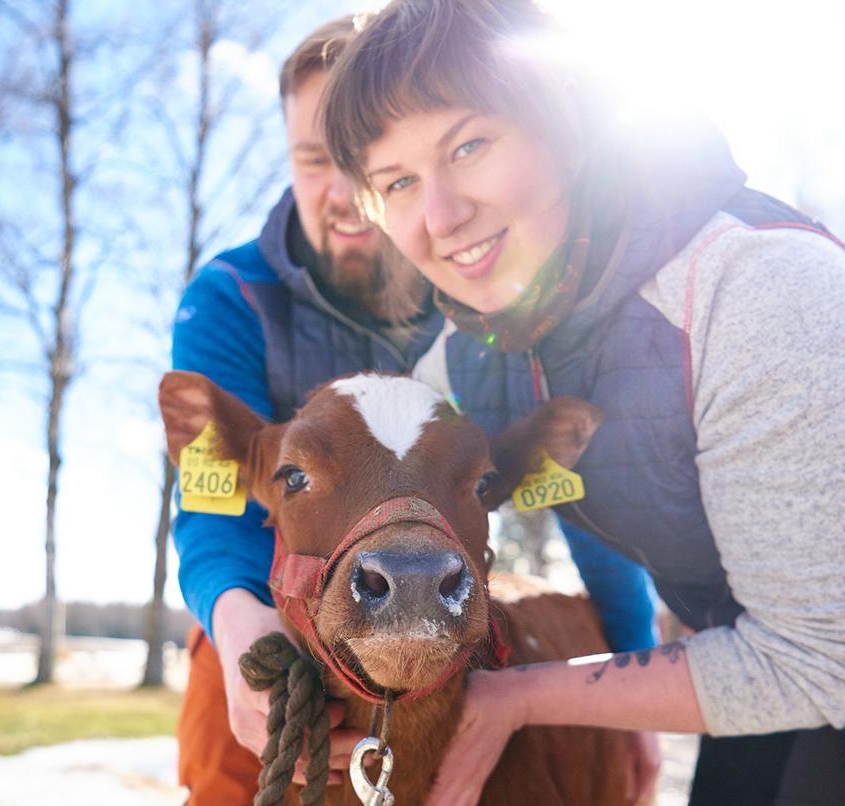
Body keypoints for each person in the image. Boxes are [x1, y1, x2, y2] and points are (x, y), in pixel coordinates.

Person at [320, 1, 845, 804]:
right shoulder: (464, 362)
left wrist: (522, 697)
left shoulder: (753, 292)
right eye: (397, 182)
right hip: (765, 657)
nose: (441, 216)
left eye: (469, 145)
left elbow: (820, 658)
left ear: (564, 122)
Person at [171, 13, 660, 804]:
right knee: (226, 761)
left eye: (365, 167)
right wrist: (236, 625)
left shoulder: (477, 289)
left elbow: (580, 497)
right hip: (276, 603)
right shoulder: (234, 298)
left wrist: (629, 676)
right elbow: (214, 495)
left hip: (449, 599)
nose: (341, 193)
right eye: (313, 160)